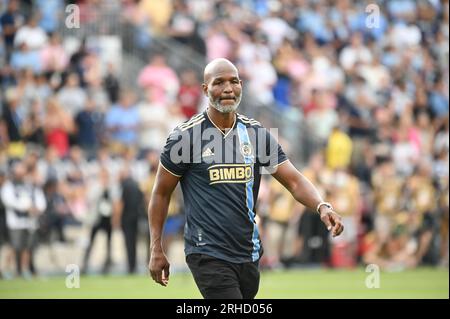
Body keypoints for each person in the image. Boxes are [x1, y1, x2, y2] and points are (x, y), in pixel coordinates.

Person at [148, 58, 344, 299]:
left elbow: (293, 179)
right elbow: (160, 193)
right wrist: (156, 247)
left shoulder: (256, 134)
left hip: (248, 252)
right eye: (219, 82)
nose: (228, 88)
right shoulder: (185, 137)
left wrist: (321, 205)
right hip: (207, 252)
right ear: (205, 89)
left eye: (234, 82)